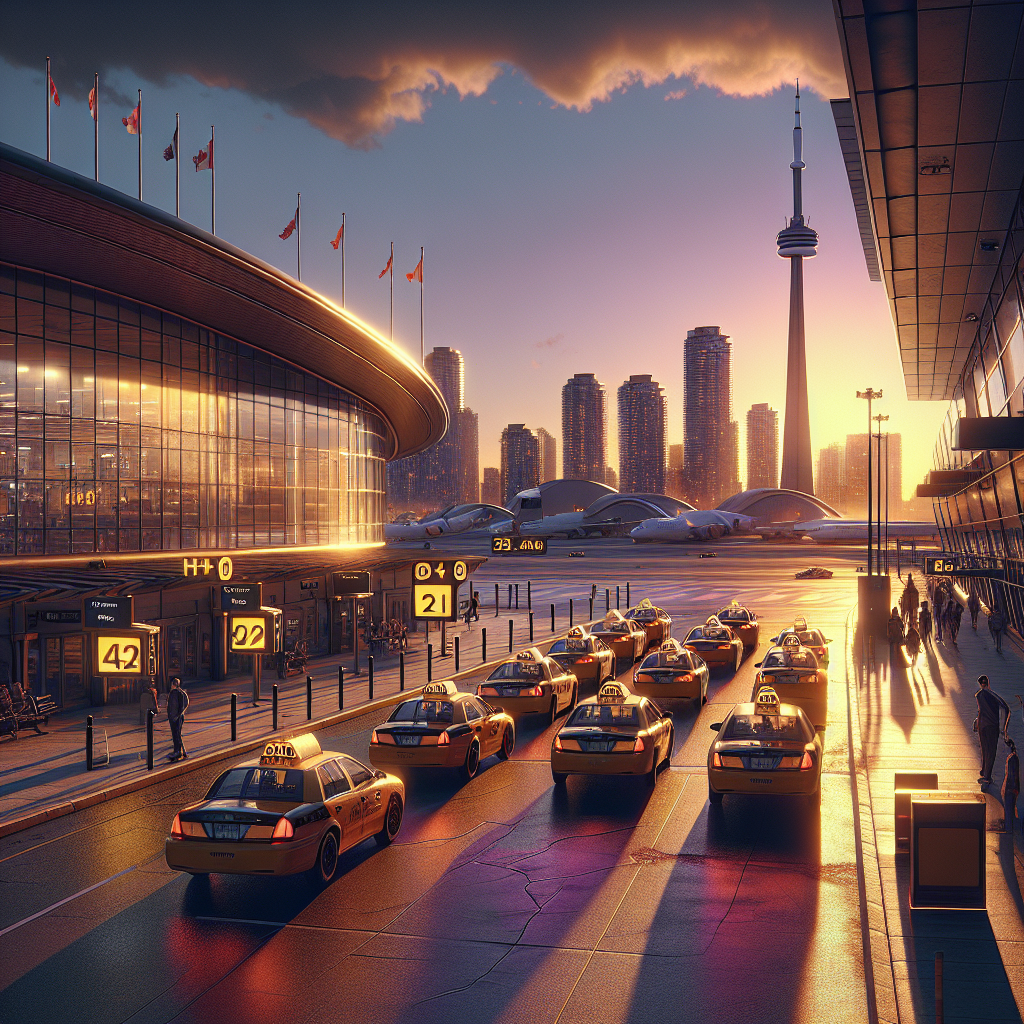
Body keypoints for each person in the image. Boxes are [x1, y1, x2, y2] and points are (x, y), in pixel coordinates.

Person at [975, 675, 1011, 784]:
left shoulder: (978, 695)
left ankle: (984, 771)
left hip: (982, 725)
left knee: (984, 749)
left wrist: (976, 721)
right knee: (990, 751)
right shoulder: (993, 695)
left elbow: (980, 710)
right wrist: (1004, 727)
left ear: (980, 684)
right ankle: (987, 777)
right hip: (992, 727)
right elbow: (1006, 708)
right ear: (988, 683)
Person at [166, 676, 189, 762]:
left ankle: (178, 751)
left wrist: (177, 714)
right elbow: (186, 703)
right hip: (176, 716)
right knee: (176, 734)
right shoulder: (180, 692)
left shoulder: (176, 693)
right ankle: (179, 751)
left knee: (176, 734)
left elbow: (180, 705)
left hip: (176, 717)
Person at [1002, 739, 1020, 834]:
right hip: (1013, 788)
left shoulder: (1011, 759)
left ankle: (1009, 828)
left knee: (1008, 809)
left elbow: (1011, 775)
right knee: (1010, 809)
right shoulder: (1014, 758)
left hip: (1010, 788)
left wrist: (1008, 788)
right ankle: (1010, 827)